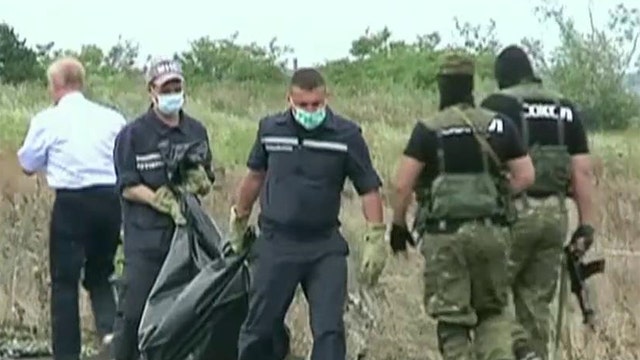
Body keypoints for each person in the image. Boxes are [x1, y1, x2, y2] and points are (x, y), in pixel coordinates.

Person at [229, 67, 388, 360]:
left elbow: (369, 188)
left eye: (316, 104)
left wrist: (376, 235)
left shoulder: (347, 135)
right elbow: (254, 177)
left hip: (323, 246)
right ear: (289, 99)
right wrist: (239, 219)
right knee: (259, 328)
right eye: (303, 105)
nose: (310, 110)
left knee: (329, 330)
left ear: (327, 97)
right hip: (277, 242)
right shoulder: (270, 130)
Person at [390, 53, 535, 360]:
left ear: (442, 86)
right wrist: (496, 195)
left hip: (446, 237)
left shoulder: (428, 129)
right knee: (493, 313)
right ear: (471, 85)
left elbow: (402, 184)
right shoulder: (499, 125)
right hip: (491, 232)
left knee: (453, 321)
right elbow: (526, 176)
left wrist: (399, 224)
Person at [480, 45, 595, 360]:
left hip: (512, 214)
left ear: (502, 77)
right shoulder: (567, 109)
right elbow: (582, 172)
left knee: (488, 297)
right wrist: (585, 226)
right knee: (535, 305)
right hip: (554, 217)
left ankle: (517, 350)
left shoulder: (498, 104)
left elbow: (483, 163)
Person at [16, 57, 126, 360]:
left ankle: (67, 354)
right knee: (101, 274)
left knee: (65, 282)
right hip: (109, 201)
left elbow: (27, 163)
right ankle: (111, 336)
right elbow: (124, 159)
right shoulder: (112, 118)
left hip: (72, 202)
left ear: (56, 85)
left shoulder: (47, 120)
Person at [110, 57, 215, 360]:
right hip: (145, 241)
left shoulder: (196, 131)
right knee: (133, 315)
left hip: (186, 242)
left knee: (184, 316)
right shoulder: (133, 135)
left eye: (176, 86)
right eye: (165, 87)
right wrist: (161, 199)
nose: (172, 92)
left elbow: (207, 175)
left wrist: (199, 183)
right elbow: (127, 185)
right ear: (152, 91)